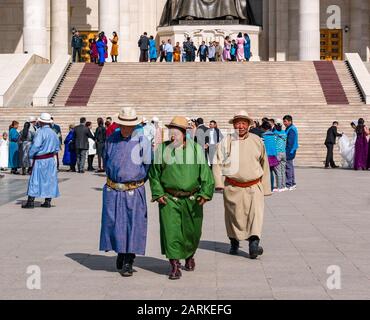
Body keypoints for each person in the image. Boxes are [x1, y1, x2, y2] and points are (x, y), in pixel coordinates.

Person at [149, 116, 215, 280]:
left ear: (184, 132)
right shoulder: (162, 150)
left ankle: (189, 255)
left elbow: (206, 174)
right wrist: (158, 193)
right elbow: (154, 175)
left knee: (192, 232)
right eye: (171, 130)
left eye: (176, 131)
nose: (173, 134)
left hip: (192, 199)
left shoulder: (196, 150)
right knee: (171, 232)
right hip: (169, 199)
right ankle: (174, 264)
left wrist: (205, 193)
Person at [99, 107, 151, 277]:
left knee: (133, 224)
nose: (126, 128)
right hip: (113, 189)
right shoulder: (112, 138)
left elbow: (148, 164)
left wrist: (136, 179)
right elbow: (107, 159)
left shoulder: (143, 140)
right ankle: (120, 252)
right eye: (123, 124)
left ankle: (129, 259)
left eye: (130, 125)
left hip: (134, 189)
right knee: (114, 223)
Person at [213, 110, 271, 259]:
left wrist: (266, 187)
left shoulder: (257, 140)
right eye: (237, 123)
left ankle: (254, 244)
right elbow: (217, 163)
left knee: (255, 216)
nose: (240, 126)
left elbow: (264, 164)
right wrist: (218, 183)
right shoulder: (226, 142)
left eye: (243, 123)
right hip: (233, 187)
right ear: (233, 125)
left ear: (248, 125)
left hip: (254, 187)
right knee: (233, 217)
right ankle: (234, 242)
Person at [22, 113, 60, 209]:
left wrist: (30, 155)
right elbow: (57, 148)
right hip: (50, 159)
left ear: (41, 121)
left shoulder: (40, 132)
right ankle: (47, 201)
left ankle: (30, 202)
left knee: (35, 179)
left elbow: (36, 146)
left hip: (40, 159)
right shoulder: (54, 133)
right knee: (50, 179)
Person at [261, 121, 278, 192]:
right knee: (271, 172)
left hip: (266, 156)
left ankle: (265, 187)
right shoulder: (274, 135)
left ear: (264, 128)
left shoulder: (263, 136)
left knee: (265, 172)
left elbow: (262, 145)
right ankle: (271, 187)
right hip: (273, 155)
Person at [284, 115, 299, 191]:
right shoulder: (289, 128)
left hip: (290, 151)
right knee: (290, 167)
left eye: (285, 121)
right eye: (284, 121)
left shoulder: (291, 129)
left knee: (288, 167)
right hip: (290, 150)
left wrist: (287, 152)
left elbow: (290, 142)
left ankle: (289, 184)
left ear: (290, 121)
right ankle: (292, 183)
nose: (284, 123)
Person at [273, 119, 288, 192]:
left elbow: (274, 144)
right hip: (284, 153)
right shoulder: (284, 133)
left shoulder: (275, 133)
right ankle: (283, 185)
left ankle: (279, 187)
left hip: (278, 153)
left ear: (275, 125)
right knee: (283, 170)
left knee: (278, 171)